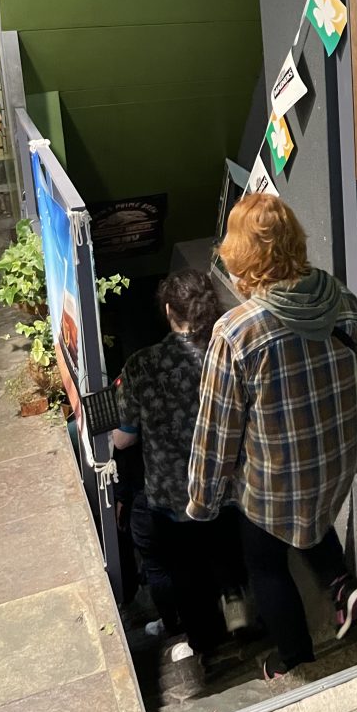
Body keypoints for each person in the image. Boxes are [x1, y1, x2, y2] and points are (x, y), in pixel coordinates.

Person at [187, 194, 357, 678]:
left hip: (274, 484)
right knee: (310, 518)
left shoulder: (236, 332)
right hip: (333, 467)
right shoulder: (344, 303)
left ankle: (296, 661)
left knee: (265, 562)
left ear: (242, 257)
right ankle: (341, 584)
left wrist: (202, 502)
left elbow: (216, 431)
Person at [113, 269, 245, 659]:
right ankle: (239, 615)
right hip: (228, 484)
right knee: (227, 556)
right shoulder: (229, 353)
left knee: (186, 574)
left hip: (173, 494)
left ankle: (204, 645)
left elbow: (126, 435)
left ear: (169, 310)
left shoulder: (141, 365)